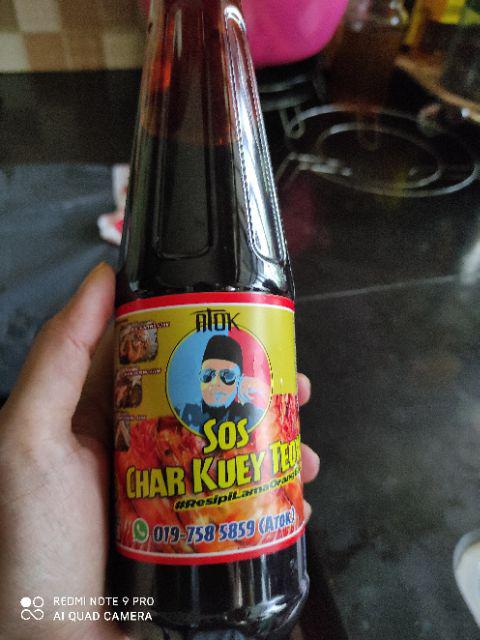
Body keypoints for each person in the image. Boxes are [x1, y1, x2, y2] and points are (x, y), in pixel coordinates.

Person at [0, 263, 320, 639]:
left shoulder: (255, 414)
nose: (217, 385)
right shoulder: (169, 427)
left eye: (227, 377)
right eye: (208, 376)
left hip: (257, 575)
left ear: (239, 381)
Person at [180, 334, 265, 432]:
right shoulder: (182, 412)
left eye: (227, 376)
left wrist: (263, 389)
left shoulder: (253, 416)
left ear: (240, 380)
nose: (215, 382)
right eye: (208, 374)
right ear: (200, 376)